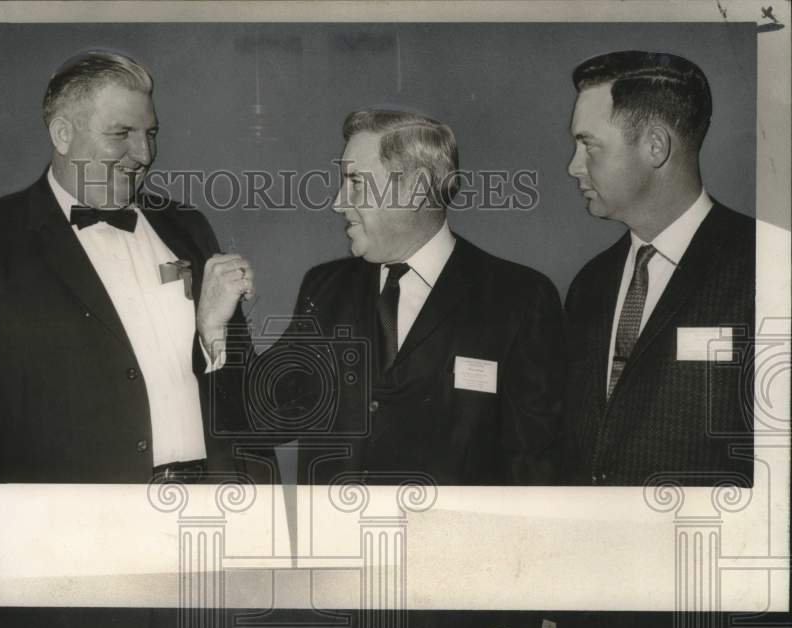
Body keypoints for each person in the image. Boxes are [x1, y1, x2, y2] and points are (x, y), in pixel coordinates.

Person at [198, 109, 565, 485]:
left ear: (417, 189)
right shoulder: (325, 288)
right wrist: (214, 328)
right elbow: (260, 422)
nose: (338, 202)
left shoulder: (519, 299)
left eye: (356, 183)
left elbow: (534, 467)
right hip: (337, 541)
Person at [0, 52, 256, 483]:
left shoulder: (189, 227)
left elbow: (245, 402)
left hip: (208, 500)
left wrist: (213, 335)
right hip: (78, 520)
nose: (143, 154)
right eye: (121, 133)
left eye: (151, 133)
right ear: (63, 134)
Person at [562, 51, 755, 486]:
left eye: (588, 144)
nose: (573, 166)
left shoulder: (769, 266)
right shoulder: (589, 284)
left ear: (655, 146)